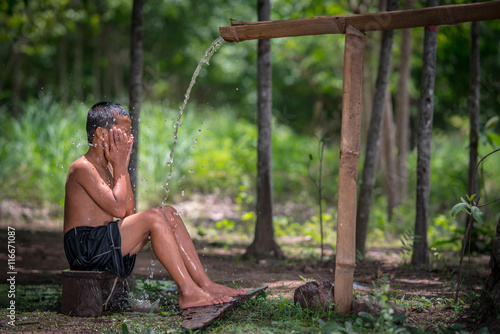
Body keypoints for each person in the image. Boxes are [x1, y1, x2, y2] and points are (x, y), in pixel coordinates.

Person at [63, 102, 246, 309]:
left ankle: (205, 284)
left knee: (168, 213)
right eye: (123, 133)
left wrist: (120, 167)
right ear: (101, 134)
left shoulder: (110, 169)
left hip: (103, 243)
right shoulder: (82, 168)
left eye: (129, 133)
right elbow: (117, 209)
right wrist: (121, 166)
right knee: (153, 216)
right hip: (85, 249)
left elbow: (128, 213)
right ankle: (188, 292)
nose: (129, 139)